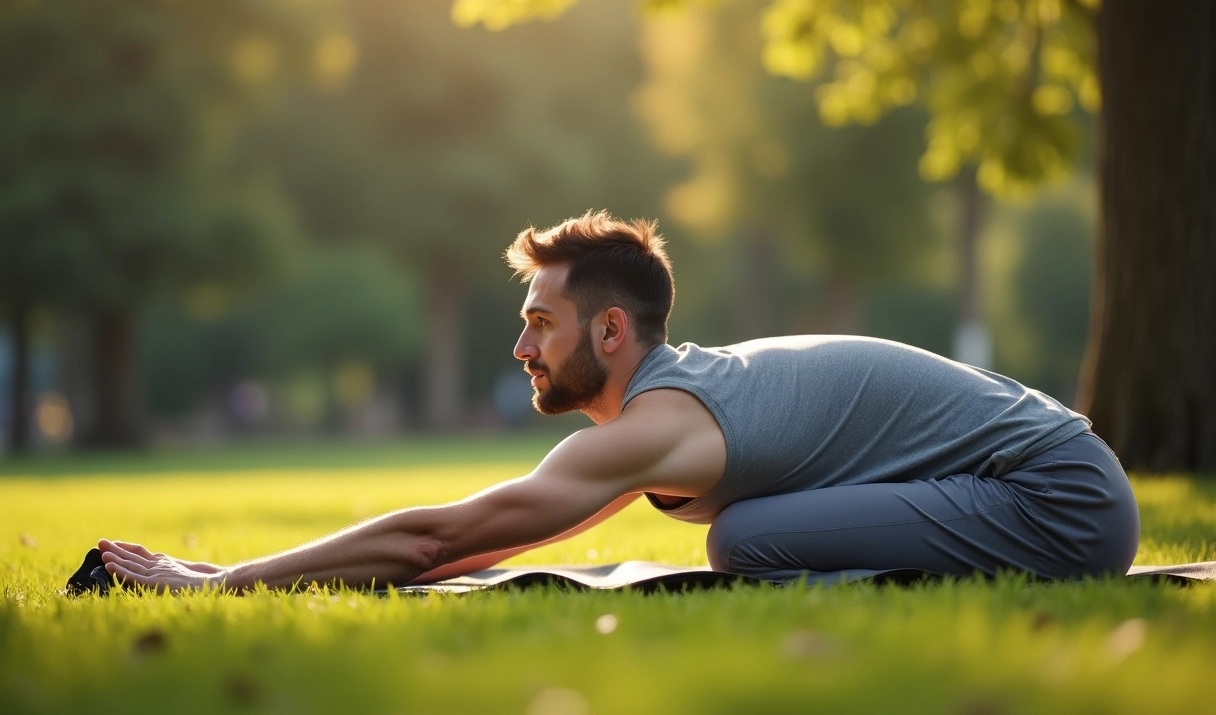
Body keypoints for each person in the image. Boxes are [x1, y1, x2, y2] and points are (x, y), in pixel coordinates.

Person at [99, 211, 1140, 592]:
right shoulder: (674, 409)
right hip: (1049, 474)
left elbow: (442, 537)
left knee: (747, 540)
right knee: (753, 530)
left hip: (1057, 497)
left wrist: (223, 579)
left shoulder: (663, 425)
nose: (519, 347)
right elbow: (476, 548)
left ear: (610, 333)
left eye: (540, 324)